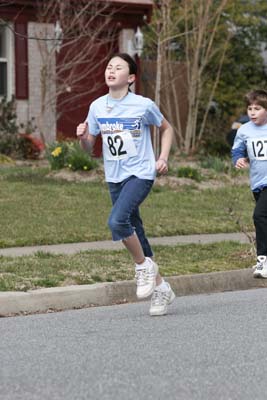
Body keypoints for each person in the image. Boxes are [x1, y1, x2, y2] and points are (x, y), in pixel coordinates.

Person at [76, 53, 175, 316]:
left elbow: (167, 128)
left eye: (118, 68)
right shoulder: (97, 106)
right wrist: (83, 137)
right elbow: (88, 147)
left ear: (130, 78)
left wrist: (162, 158)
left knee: (117, 222)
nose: (111, 70)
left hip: (141, 173)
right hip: (114, 176)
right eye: (109, 66)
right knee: (135, 230)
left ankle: (142, 266)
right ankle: (161, 288)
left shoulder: (143, 105)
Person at [232, 89, 267, 278]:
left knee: (259, 216)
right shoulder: (244, 130)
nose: (252, 112)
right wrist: (238, 159)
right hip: (257, 182)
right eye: (250, 108)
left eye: (258, 108)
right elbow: (237, 149)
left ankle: (262, 259)